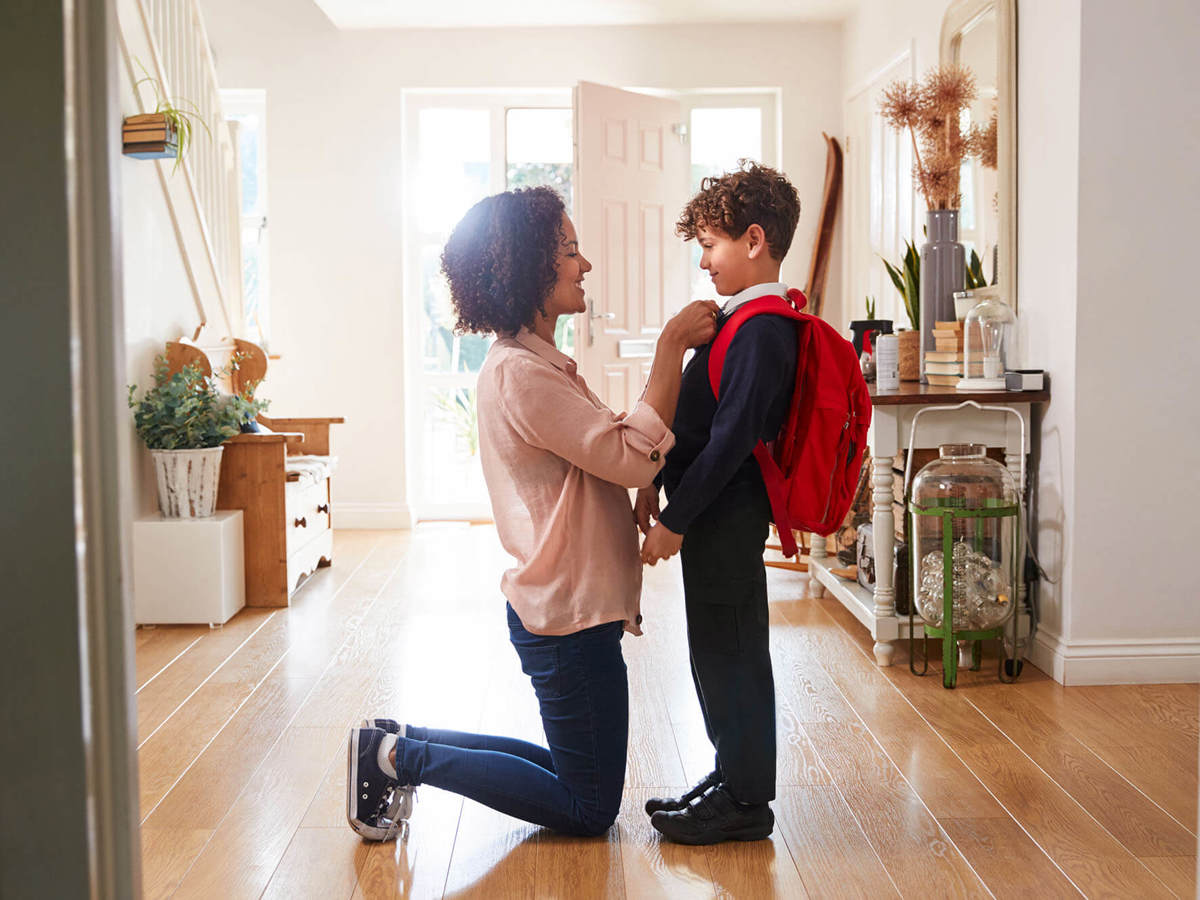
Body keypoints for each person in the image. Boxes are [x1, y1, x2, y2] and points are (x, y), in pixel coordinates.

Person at [346, 185, 720, 841]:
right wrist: (670, 349)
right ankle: (399, 758)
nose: (586, 265)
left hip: (567, 608)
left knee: (577, 773)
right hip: (569, 616)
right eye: (571, 252)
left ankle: (396, 742)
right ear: (528, 270)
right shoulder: (523, 373)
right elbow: (630, 456)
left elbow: (602, 454)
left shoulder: (534, 363)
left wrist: (633, 480)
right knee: (588, 805)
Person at [637, 161, 802, 845]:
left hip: (726, 514)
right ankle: (732, 775)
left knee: (732, 651)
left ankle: (746, 800)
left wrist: (676, 520)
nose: (703, 260)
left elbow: (733, 439)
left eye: (710, 244)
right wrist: (655, 478)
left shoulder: (764, 327)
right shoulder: (738, 321)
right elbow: (700, 421)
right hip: (713, 514)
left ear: (754, 239)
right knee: (714, 648)